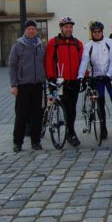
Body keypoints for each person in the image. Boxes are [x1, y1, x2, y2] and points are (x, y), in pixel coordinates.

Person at [78, 20, 112, 140]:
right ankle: (103, 129)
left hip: (109, 76)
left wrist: (109, 74)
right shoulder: (88, 46)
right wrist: (80, 77)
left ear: (102, 31)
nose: (97, 33)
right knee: (100, 104)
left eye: (99, 31)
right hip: (96, 78)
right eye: (94, 32)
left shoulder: (109, 42)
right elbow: (84, 62)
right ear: (91, 32)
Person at [45, 16, 84, 147]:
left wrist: (84, 77)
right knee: (65, 107)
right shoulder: (53, 43)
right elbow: (49, 61)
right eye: (66, 27)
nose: (68, 29)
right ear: (61, 28)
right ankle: (70, 133)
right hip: (60, 82)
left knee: (72, 108)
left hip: (74, 81)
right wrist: (51, 77)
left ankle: (70, 132)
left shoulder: (77, 44)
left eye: (70, 27)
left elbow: (82, 62)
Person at [9, 20, 46, 152]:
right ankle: (17, 142)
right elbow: (12, 66)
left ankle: (36, 141)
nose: (31, 31)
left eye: (33, 29)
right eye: (29, 28)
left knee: (37, 115)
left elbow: (45, 63)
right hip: (23, 85)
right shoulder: (18, 47)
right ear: (25, 30)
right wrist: (14, 85)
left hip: (38, 85)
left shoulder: (41, 46)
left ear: (36, 30)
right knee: (21, 115)